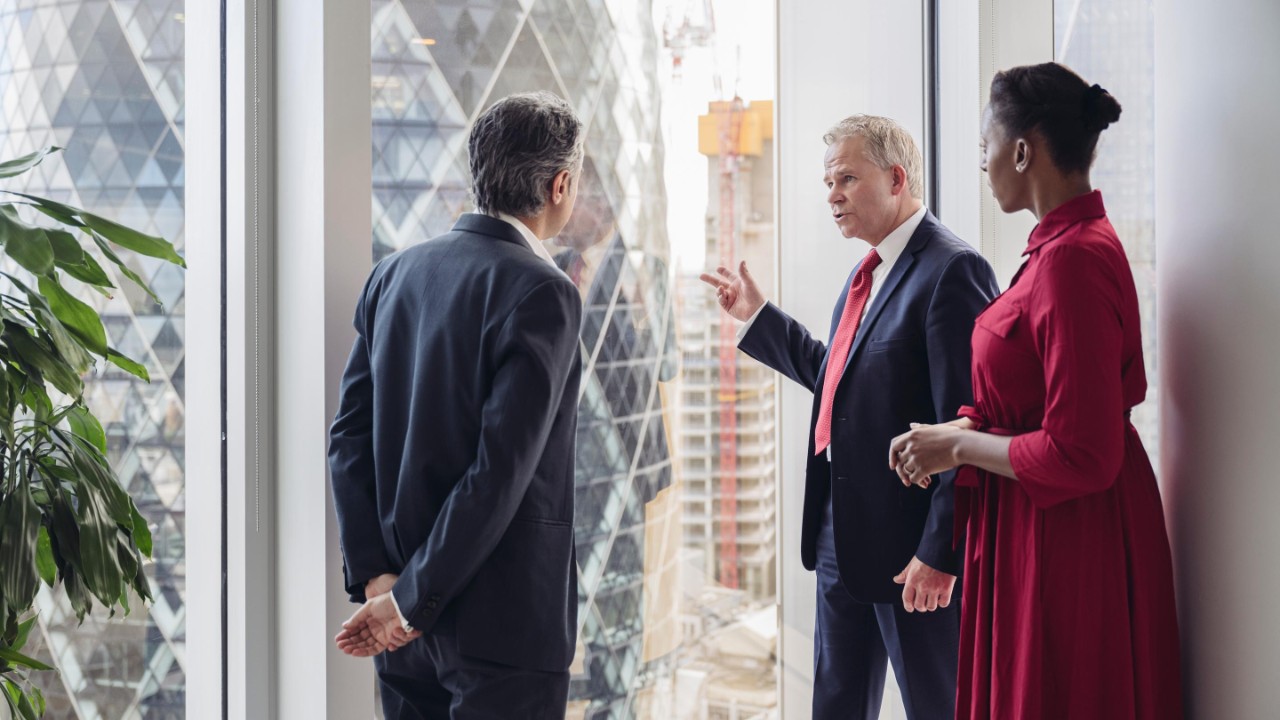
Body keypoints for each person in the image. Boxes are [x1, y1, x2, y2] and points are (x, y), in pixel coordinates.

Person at [890, 62, 1184, 719]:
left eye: (985, 145)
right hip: (1045, 525)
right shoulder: (1059, 251)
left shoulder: (1071, 261)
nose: (983, 162)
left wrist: (960, 448)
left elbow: (1084, 454)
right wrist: (961, 434)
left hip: (1064, 539)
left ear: (1022, 150)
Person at [701, 114, 998, 720]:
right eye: (827, 181)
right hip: (843, 536)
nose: (832, 195)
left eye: (846, 178)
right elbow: (838, 379)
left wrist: (941, 552)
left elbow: (968, 424)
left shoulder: (950, 270)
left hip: (913, 551)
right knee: (835, 705)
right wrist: (759, 318)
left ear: (895, 178)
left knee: (937, 705)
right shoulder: (868, 271)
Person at [328, 91, 585, 719]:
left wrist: (380, 583)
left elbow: (348, 441)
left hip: (401, 626)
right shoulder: (543, 292)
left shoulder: (393, 274)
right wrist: (408, 599)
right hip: (503, 627)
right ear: (560, 185)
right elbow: (498, 474)